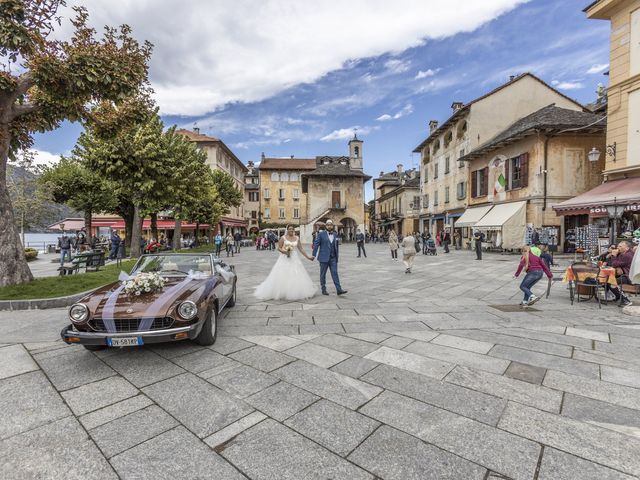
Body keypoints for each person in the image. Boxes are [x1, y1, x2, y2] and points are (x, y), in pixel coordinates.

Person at [254, 225, 316, 300]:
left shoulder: (297, 238)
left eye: (292, 229)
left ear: (294, 230)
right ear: (287, 230)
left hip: (294, 258)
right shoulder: (283, 238)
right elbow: (279, 248)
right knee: (282, 274)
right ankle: (281, 291)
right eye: (289, 229)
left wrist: (308, 257)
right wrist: (284, 252)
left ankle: (295, 291)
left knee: (296, 274)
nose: (291, 230)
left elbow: (301, 249)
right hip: (284, 258)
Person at [312, 219, 347, 296]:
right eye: (328, 224)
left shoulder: (335, 234)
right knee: (322, 274)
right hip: (323, 258)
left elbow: (337, 246)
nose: (329, 226)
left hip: (333, 258)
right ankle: (323, 289)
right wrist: (313, 255)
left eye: (330, 224)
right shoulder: (321, 234)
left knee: (335, 273)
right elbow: (316, 244)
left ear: (332, 226)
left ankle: (339, 289)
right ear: (326, 226)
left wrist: (337, 256)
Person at [605, 240, 634, 306]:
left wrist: (614, 255)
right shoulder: (622, 254)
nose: (618, 248)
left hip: (628, 276)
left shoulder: (628, 255)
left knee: (611, 282)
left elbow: (614, 264)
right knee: (606, 280)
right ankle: (618, 297)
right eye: (618, 246)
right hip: (623, 274)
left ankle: (625, 300)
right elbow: (615, 264)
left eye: (620, 246)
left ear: (627, 248)